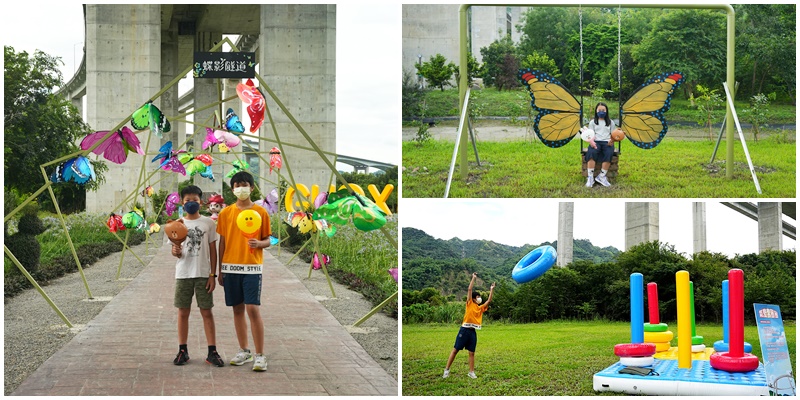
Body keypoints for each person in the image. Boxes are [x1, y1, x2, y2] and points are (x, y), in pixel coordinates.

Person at [216, 172, 271, 371]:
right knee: (237, 309)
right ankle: (244, 351)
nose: (241, 188)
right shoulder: (225, 213)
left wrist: (260, 244)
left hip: (252, 267)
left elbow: (269, 239)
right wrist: (220, 270)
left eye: (245, 184)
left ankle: (260, 355)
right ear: (232, 189)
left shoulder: (261, 213)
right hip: (230, 267)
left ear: (252, 188)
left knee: (252, 309)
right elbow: (222, 242)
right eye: (237, 185)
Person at [170, 185, 224, 367]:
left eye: (195, 200)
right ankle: (182, 350)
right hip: (183, 273)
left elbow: (213, 251)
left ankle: (212, 351)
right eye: (187, 200)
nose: (191, 203)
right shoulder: (177, 224)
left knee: (206, 311)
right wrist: (176, 249)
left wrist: (212, 275)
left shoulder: (208, 223)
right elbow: (176, 252)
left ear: (201, 202)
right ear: (182, 202)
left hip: (202, 274)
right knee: (183, 312)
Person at [443, 273, 495, 379]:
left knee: (472, 352)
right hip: (464, 330)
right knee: (455, 350)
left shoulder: (480, 308)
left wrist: (491, 289)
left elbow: (489, 301)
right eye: (478, 296)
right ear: (474, 298)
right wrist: (473, 278)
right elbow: (469, 289)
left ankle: (471, 372)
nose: (480, 298)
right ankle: (447, 370)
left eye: (480, 297)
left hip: (472, 332)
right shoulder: (469, 303)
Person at [585, 102, 617, 188]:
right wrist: (591, 142)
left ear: (606, 111)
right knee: (592, 153)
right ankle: (590, 177)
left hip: (607, 142)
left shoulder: (611, 122)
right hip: (596, 141)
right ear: (596, 111)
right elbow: (590, 134)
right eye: (599, 110)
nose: (601, 112)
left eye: (603, 110)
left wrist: (612, 141)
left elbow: (613, 134)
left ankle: (602, 176)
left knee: (609, 153)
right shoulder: (592, 122)